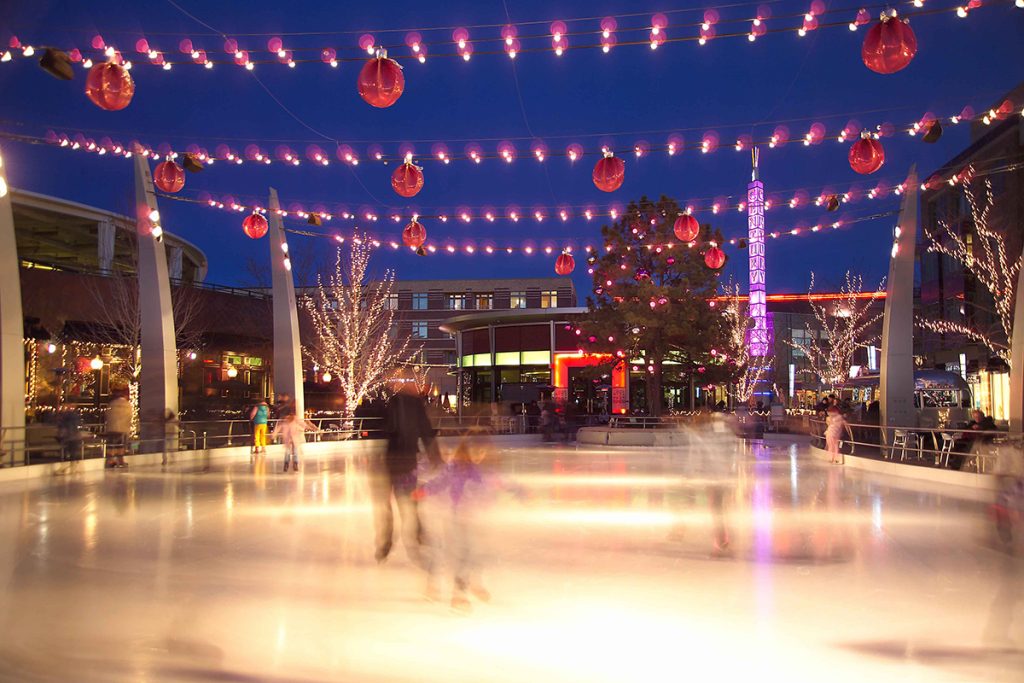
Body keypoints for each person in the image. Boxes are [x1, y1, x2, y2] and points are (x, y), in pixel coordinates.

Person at [414, 429, 525, 613]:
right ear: (466, 449)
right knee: (462, 555)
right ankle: (458, 594)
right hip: (457, 517)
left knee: (479, 553)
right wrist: (424, 490)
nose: (478, 456)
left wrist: (520, 490)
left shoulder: (487, 471)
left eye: (482, 452)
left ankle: (475, 583)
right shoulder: (455, 467)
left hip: (477, 517)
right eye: (474, 451)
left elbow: (503, 482)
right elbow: (440, 481)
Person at [373, 383, 441, 568]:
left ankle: (390, 542)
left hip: (396, 462)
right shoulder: (409, 405)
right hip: (401, 462)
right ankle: (402, 538)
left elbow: (387, 428)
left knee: (397, 503)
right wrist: (434, 454)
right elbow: (425, 430)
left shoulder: (394, 403)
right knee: (404, 501)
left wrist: (434, 453)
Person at [104, 391, 131, 468]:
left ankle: (110, 461)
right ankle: (121, 461)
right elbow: (129, 417)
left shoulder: (111, 404)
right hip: (122, 429)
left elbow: (107, 415)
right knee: (120, 446)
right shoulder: (127, 404)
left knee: (111, 446)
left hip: (111, 429)